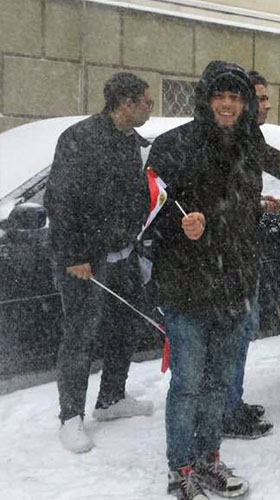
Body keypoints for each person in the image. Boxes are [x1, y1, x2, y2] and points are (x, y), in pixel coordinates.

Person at [148, 60, 264, 499]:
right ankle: (181, 467)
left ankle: (209, 458)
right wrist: (179, 225)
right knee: (188, 385)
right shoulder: (174, 144)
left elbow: (243, 212)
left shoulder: (248, 145)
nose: (227, 104)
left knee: (218, 384)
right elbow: (148, 211)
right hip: (187, 288)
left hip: (234, 286)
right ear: (205, 100)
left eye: (235, 97)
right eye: (220, 96)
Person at [44, 72, 154, 454]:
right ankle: (70, 417)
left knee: (126, 325)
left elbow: (137, 195)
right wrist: (74, 256)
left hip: (124, 252)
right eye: (146, 102)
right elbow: (60, 201)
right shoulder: (80, 138)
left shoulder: (133, 143)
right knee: (80, 335)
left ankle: (111, 398)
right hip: (84, 260)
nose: (150, 108)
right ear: (126, 104)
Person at [219, 70, 280, 440]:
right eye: (260, 98)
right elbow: (221, 202)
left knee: (243, 331)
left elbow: (238, 197)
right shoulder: (232, 139)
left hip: (245, 253)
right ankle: (226, 412)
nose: (267, 105)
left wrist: (257, 205)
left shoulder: (248, 136)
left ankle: (232, 401)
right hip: (228, 259)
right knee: (234, 334)